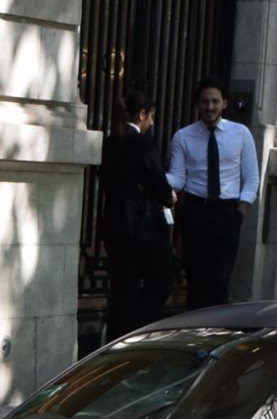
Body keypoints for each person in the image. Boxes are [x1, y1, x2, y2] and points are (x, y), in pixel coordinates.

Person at [165, 78, 259, 308]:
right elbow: (178, 176)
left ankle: (218, 334)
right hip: (195, 210)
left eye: (215, 101)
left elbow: (252, 176)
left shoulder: (241, 134)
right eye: (205, 101)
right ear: (198, 104)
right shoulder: (183, 137)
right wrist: (154, 180)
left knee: (221, 279)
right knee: (196, 280)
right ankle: (194, 335)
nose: (210, 107)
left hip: (227, 213)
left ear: (224, 103)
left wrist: (241, 210)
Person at [99, 88, 174, 336]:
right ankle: (136, 329)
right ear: (142, 114)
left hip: (115, 225)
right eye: (151, 117)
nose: (151, 123)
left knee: (123, 287)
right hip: (144, 227)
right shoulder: (144, 142)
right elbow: (158, 181)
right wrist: (169, 197)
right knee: (161, 283)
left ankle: (116, 337)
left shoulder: (110, 142)